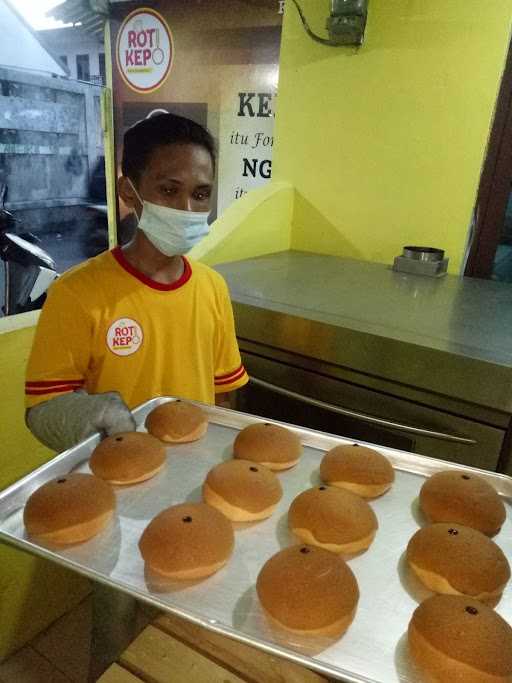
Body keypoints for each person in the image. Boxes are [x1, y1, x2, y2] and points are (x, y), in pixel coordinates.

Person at [25, 113, 248, 452]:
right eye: (169, 190)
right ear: (129, 192)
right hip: (118, 473)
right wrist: (88, 417)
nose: (187, 208)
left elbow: (223, 393)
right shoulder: (77, 293)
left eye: (201, 194)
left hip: (195, 469)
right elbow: (43, 409)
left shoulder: (212, 287)